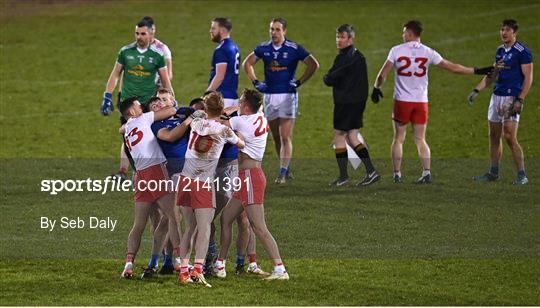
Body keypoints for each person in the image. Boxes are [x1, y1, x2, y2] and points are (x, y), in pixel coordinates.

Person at [371, 20, 494, 184]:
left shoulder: (396, 50)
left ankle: (397, 174)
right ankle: (426, 173)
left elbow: (381, 75)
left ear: (409, 33)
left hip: (402, 102)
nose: (402, 35)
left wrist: (376, 87)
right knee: (420, 139)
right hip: (421, 102)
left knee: (399, 138)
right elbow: (453, 67)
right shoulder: (428, 52)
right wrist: (477, 70)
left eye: (404, 32)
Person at [215, 89, 290, 280]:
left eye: (240, 103)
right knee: (226, 219)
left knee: (259, 227)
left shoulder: (242, 121)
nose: (238, 105)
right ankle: (220, 264)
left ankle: (280, 268)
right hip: (248, 176)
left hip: (250, 177)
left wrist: (220, 112)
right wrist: (233, 108)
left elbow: (219, 122)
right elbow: (238, 112)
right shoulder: (259, 116)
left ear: (246, 107)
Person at [176, 92, 245, 287]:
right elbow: (241, 143)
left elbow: (196, 120)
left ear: (205, 109)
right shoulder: (224, 130)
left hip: (184, 179)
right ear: (222, 109)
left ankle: (183, 272)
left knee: (189, 228)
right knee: (204, 228)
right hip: (202, 183)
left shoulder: (196, 124)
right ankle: (198, 270)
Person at [243, 17, 319, 184]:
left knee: (286, 136)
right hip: (270, 96)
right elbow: (247, 63)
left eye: (277, 29)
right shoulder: (263, 48)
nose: (274, 33)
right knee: (276, 137)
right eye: (271, 29)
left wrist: (299, 82)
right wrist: (256, 82)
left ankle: (282, 173)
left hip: (288, 96)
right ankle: (286, 166)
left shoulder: (294, 48)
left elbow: (313, 64)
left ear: (284, 31)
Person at [117, 97, 182, 279]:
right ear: (132, 111)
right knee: (174, 217)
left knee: (138, 225)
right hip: (155, 170)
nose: (142, 107)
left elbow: (122, 128)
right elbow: (170, 111)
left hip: (140, 175)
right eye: (138, 105)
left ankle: (129, 264)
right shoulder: (142, 118)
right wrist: (172, 105)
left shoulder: (128, 127)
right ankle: (180, 261)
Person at [105, 16, 174, 182]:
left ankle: (159, 169)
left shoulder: (159, 53)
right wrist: (107, 95)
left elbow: (166, 79)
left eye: (143, 34)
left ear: (151, 34)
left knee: (152, 135)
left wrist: (170, 97)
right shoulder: (126, 52)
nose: (139, 37)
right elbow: (116, 74)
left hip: (148, 102)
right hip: (129, 101)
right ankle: (135, 172)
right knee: (130, 137)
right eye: (137, 33)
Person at [468, 19, 533, 185]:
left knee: (510, 137)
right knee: (494, 136)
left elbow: (528, 77)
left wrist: (520, 99)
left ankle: (522, 175)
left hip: (512, 98)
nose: (504, 33)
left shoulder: (522, 51)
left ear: (514, 33)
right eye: (502, 30)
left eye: (507, 30)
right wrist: (477, 90)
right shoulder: (500, 50)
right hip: (496, 97)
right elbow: (493, 74)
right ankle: (493, 172)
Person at [140, 96, 193, 278]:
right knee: (175, 216)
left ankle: (160, 261)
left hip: (190, 172)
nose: (158, 104)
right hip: (171, 174)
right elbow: (170, 137)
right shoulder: (155, 126)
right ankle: (178, 260)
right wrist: (189, 120)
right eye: (154, 104)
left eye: (162, 101)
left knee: (170, 219)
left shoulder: (181, 115)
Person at [323, 24, 379, 187]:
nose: (338, 40)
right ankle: (371, 172)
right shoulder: (358, 56)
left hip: (346, 103)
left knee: (340, 136)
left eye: (342, 37)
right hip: (355, 102)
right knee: (351, 136)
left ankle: (344, 176)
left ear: (350, 39)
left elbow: (331, 78)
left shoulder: (346, 57)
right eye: (337, 37)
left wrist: (327, 78)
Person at [206, 17, 241, 108]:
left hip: (222, 98)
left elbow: (219, 76)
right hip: (233, 96)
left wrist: (207, 93)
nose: (210, 31)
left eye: (213, 28)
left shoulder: (221, 49)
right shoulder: (234, 47)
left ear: (222, 30)